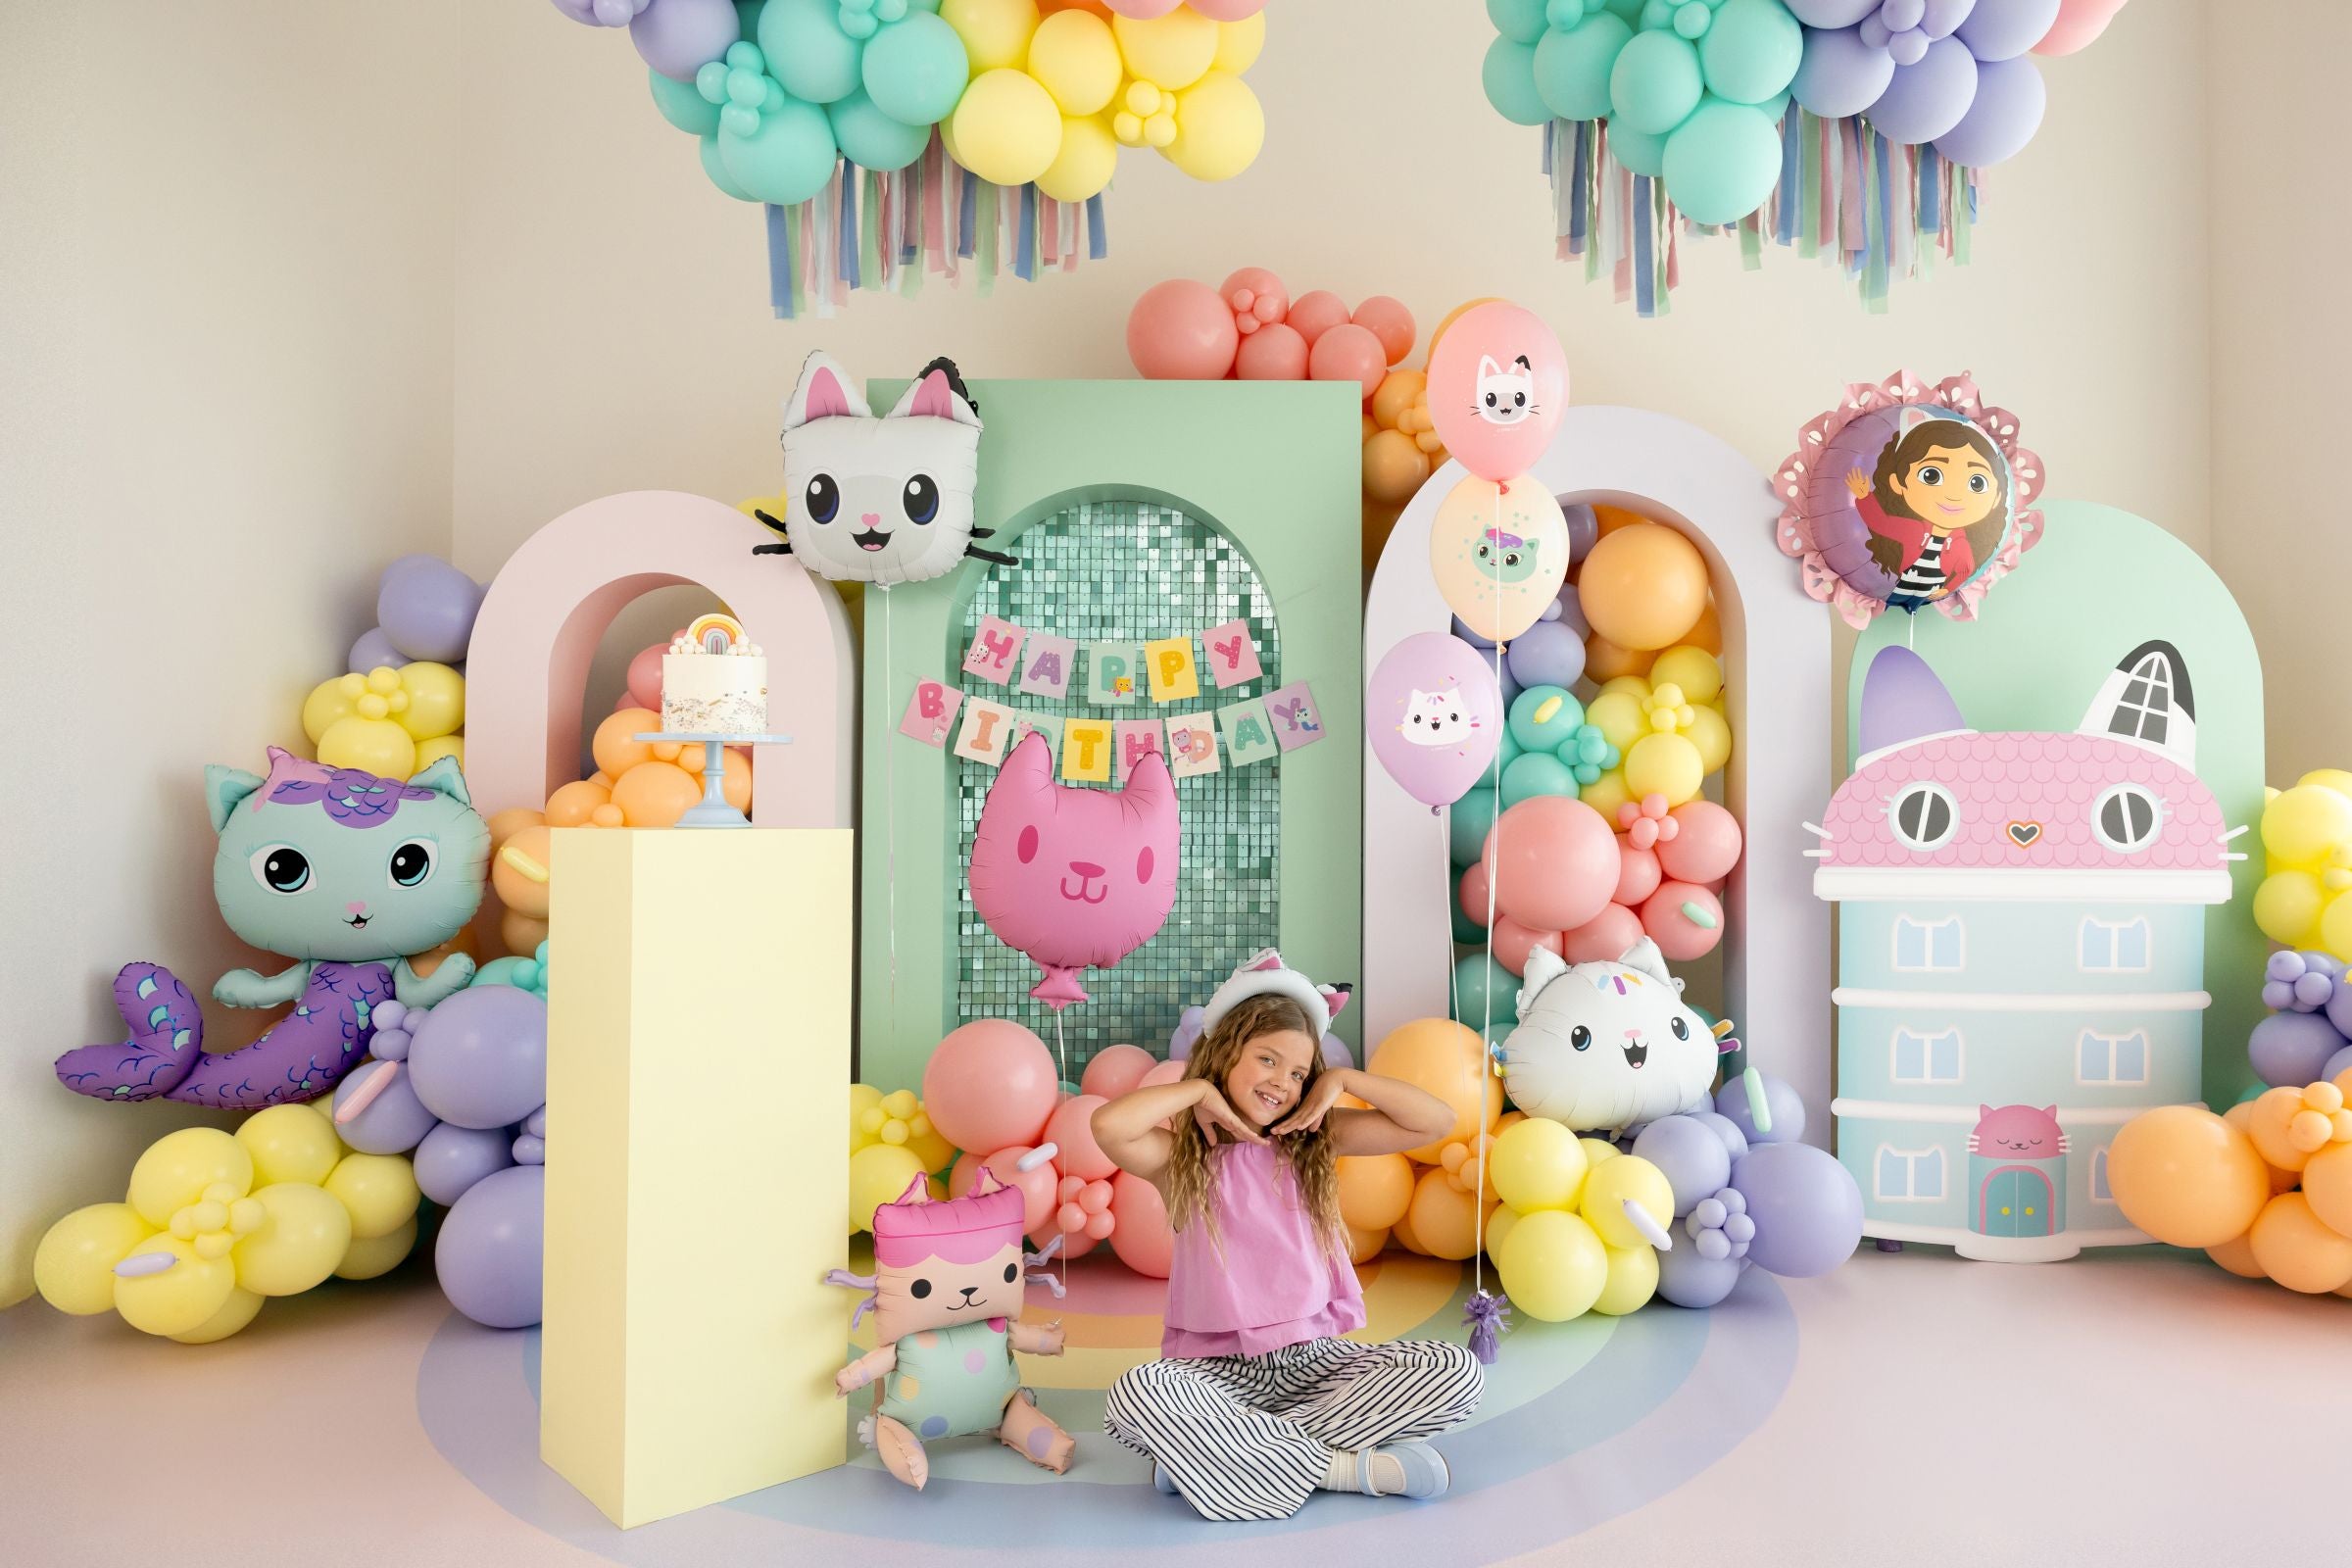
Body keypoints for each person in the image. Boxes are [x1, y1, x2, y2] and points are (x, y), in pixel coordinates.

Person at [1093, 951, 1483, 1521]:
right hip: (1214, 1376)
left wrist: (1342, 1080)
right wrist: (1199, 1091)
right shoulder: (1182, 1163)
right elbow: (1108, 1125)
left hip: (1318, 1368)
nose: (1282, 1081)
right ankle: (1341, 1470)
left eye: (1299, 1073)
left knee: (1457, 1372)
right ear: (1226, 1053)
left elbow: (1436, 1121)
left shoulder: (1313, 1142)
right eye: (1268, 1059)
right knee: (1138, 1395)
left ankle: (1219, 1455)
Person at [1846, 413, 2010, 612]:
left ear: (1997, 498)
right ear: (1898, 483)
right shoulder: (1912, 529)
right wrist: (1865, 497)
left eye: (1976, 483)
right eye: (1931, 475)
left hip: (1932, 592)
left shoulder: (1961, 546)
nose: (1953, 495)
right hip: (1902, 586)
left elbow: (1964, 570)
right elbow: (1881, 523)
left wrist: (1947, 589)